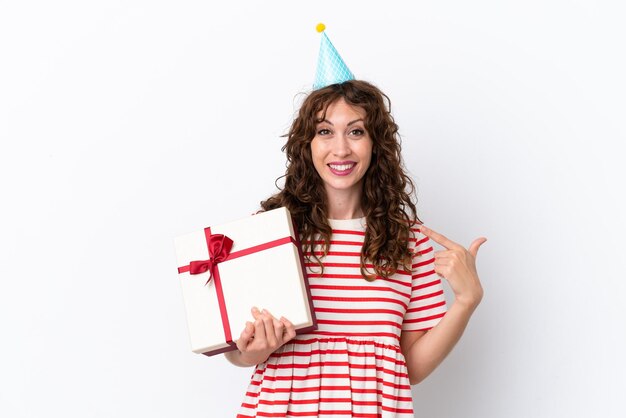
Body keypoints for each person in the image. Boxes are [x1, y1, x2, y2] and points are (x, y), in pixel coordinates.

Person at [224, 79, 486, 417]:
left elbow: (412, 368)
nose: (341, 149)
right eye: (325, 131)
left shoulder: (410, 242)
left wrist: (466, 302)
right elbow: (234, 351)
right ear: (307, 144)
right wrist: (254, 351)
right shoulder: (269, 233)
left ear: (376, 143)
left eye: (356, 131)